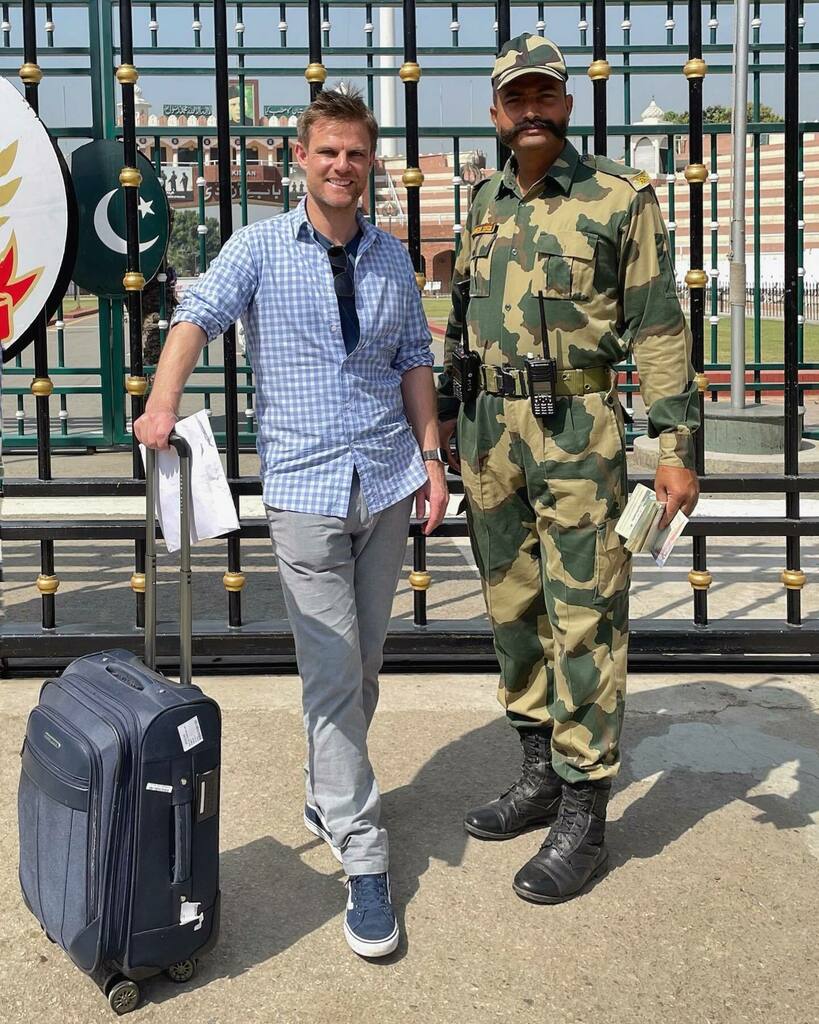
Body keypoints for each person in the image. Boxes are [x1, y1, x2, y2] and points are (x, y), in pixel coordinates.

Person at [135, 88, 448, 957]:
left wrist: (429, 458)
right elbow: (194, 319)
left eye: (355, 153)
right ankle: (363, 850)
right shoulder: (260, 247)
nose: (341, 165)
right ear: (302, 158)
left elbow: (415, 360)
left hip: (384, 483)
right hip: (305, 493)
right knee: (333, 673)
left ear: (368, 162)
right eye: (327, 152)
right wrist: (162, 404)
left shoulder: (389, 257)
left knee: (365, 660)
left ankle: (325, 786)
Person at [438, 34, 700, 904]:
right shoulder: (481, 203)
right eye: (516, 98)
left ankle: (585, 807)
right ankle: (537, 771)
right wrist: (446, 413)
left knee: (583, 616)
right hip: (488, 437)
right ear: (495, 113)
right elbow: (458, 327)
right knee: (513, 611)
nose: (531, 109)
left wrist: (674, 449)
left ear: (566, 104)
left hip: (578, 435)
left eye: (544, 94)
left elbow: (660, 327)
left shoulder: (618, 199)